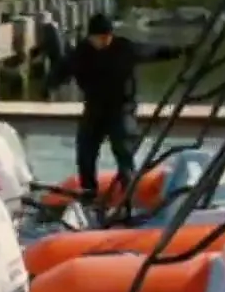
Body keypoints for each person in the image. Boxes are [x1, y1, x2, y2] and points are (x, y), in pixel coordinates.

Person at [44, 13, 187, 204]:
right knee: (85, 149)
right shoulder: (81, 53)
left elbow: (152, 51)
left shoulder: (124, 48)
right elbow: (62, 70)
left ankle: (128, 194)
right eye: (99, 38)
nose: (104, 41)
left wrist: (180, 51)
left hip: (121, 107)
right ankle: (89, 191)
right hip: (95, 107)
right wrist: (49, 85)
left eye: (107, 37)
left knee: (123, 148)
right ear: (90, 37)